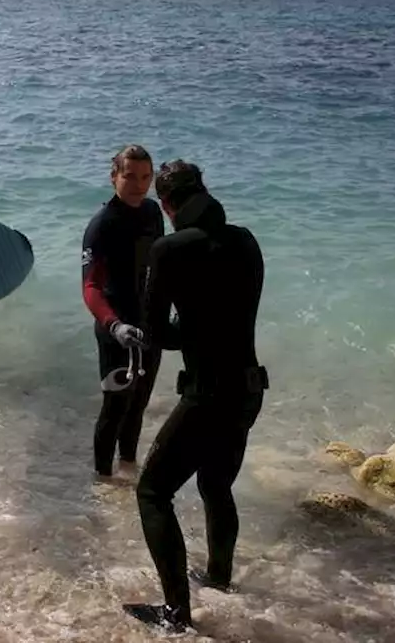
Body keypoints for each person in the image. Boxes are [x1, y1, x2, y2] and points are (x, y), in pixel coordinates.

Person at [122, 160, 269, 633]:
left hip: (207, 395)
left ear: (167, 206)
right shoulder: (246, 241)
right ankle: (219, 579)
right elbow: (235, 311)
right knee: (215, 485)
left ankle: (176, 615)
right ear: (203, 191)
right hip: (249, 390)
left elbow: (154, 331)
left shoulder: (168, 250)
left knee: (152, 491)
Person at [80, 145, 165, 481]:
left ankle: (128, 468)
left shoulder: (153, 213)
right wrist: (115, 325)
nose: (139, 184)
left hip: (148, 326)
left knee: (139, 404)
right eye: (130, 176)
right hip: (116, 328)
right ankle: (102, 478)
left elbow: (162, 269)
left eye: (146, 177)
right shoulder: (102, 225)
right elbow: (90, 288)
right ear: (114, 176)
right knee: (116, 408)